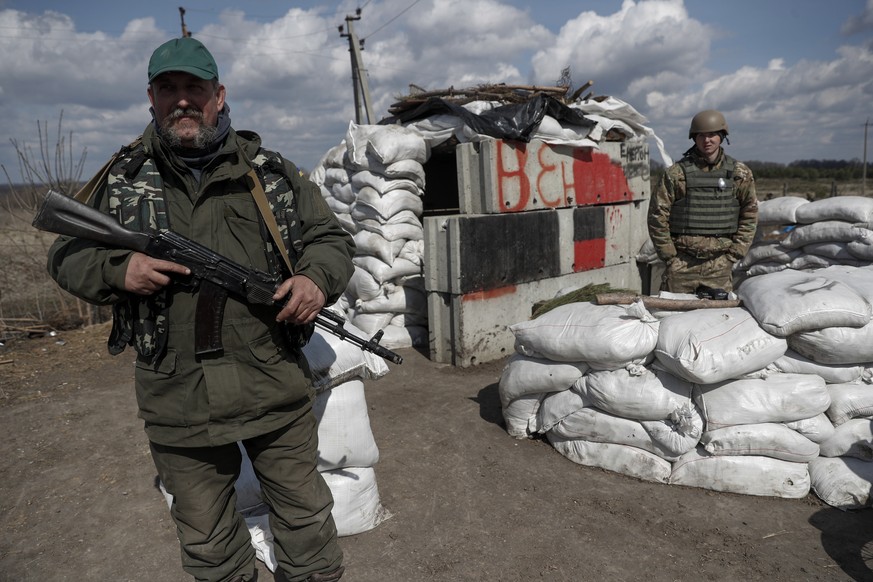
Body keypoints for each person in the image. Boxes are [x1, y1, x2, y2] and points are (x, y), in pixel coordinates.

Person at [47, 37, 355, 582]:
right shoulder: (121, 179)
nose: (182, 100)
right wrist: (120, 271)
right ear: (151, 97)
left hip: (272, 387)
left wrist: (314, 279)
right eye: (170, 89)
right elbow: (66, 254)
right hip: (177, 398)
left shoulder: (272, 175)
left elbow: (329, 238)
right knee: (209, 544)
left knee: (307, 524)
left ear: (219, 95)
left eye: (195, 88)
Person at [647, 109, 758, 294]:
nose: (707, 140)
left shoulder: (740, 173)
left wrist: (733, 255)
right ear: (694, 138)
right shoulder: (676, 174)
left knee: (717, 321)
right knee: (673, 319)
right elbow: (657, 216)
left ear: (722, 136)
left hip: (720, 265)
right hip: (682, 263)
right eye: (701, 136)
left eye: (712, 135)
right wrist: (670, 257)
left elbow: (750, 214)